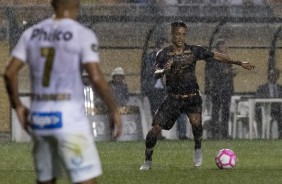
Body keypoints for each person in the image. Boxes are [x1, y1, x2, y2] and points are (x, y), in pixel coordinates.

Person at [4, 0, 122, 184]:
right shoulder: (81, 34)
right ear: (77, 3)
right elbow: (96, 77)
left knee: (46, 180)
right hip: (68, 118)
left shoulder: (32, 33)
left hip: (40, 118)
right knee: (86, 180)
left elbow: (9, 72)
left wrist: (17, 106)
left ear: (52, 3)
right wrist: (114, 109)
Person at [139, 20, 255, 170]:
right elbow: (156, 73)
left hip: (192, 97)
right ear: (172, 35)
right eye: (177, 34)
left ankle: (198, 149)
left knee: (196, 124)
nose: (181, 38)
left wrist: (239, 62)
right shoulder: (163, 54)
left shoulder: (194, 50)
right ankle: (148, 160)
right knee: (154, 129)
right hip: (173, 98)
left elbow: (216, 56)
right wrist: (163, 71)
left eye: (183, 34)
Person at [205, 39, 237, 139]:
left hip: (227, 90)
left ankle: (225, 133)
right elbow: (211, 74)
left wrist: (231, 73)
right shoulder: (213, 59)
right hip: (217, 90)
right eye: (223, 46)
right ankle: (214, 133)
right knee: (215, 112)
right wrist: (224, 72)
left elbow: (227, 72)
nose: (226, 48)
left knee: (226, 112)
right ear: (219, 47)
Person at [255, 68, 282, 138]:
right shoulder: (261, 88)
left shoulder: (280, 88)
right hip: (265, 109)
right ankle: (263, 135)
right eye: (272, 75)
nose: (273, 77)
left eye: (276, 75)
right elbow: (258, 101)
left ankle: (280, 136)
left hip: (278, 110)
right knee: (259, 113)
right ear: (268, 75)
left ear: (278, 76)